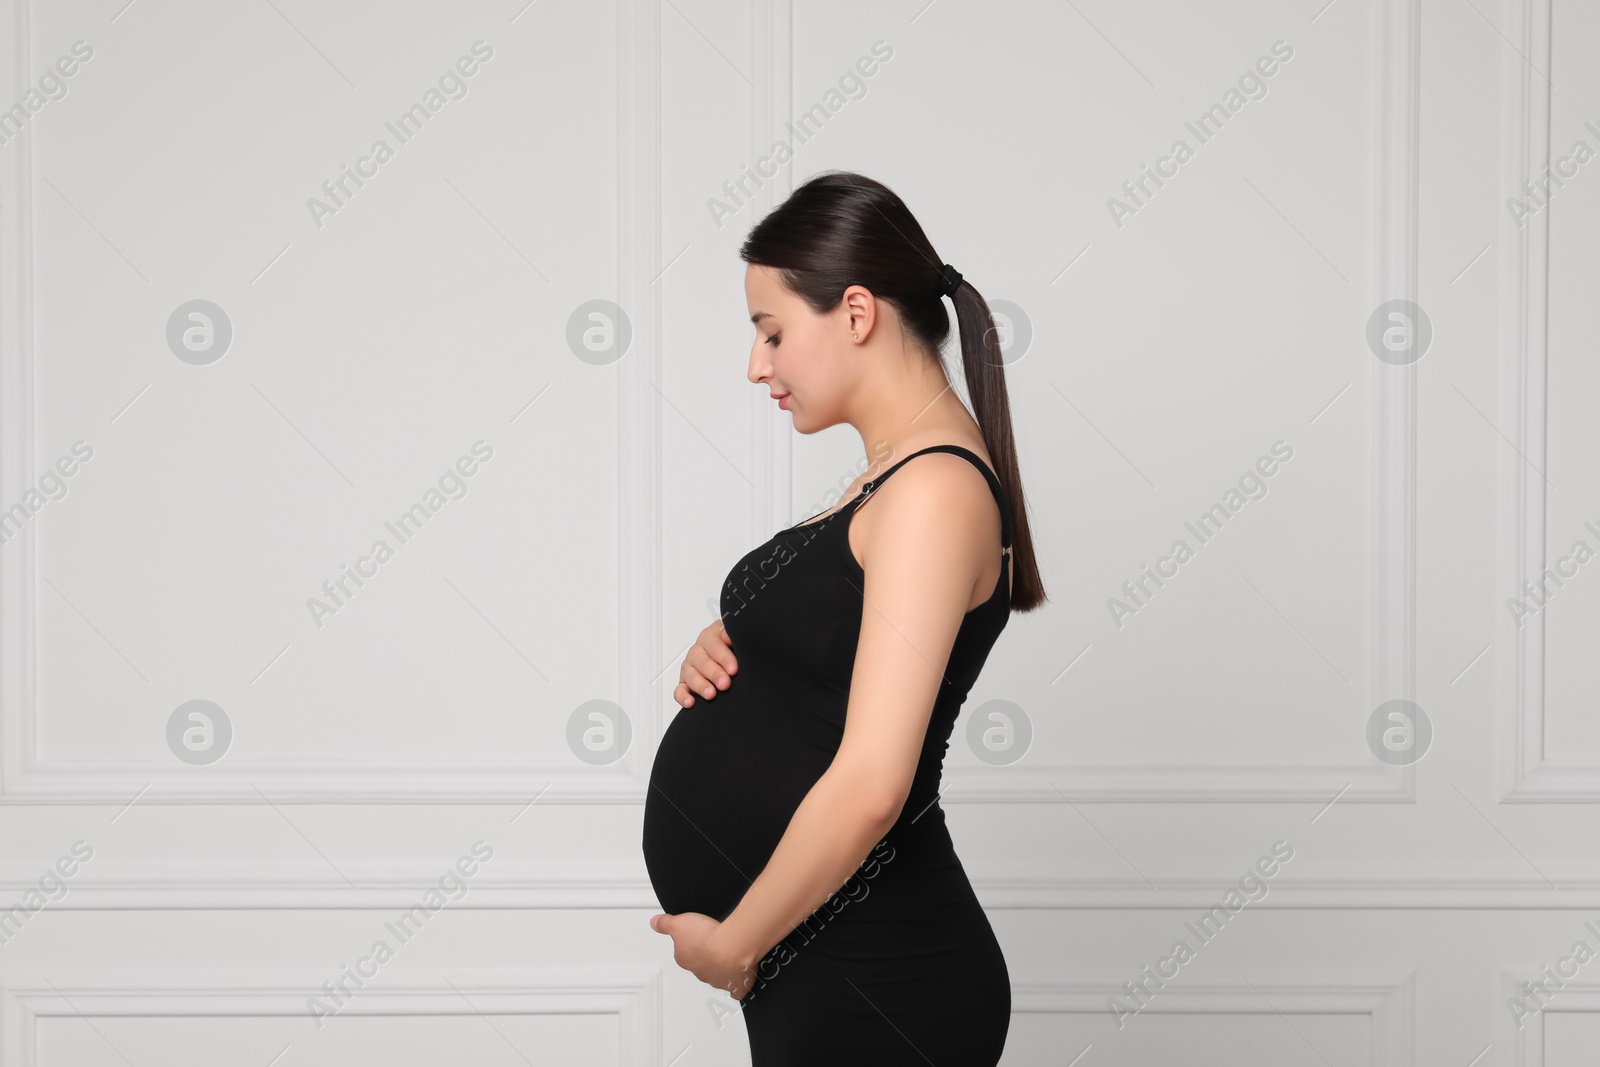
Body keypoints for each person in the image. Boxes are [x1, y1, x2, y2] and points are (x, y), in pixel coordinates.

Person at [642, 170, 1045, 1066]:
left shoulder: (935, 489)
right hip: (827, 969)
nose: (758, 364)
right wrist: (740, 646)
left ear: (856, 312)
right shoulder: (891, 481)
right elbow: (833, 658)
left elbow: (871, 782)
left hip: (881, 976)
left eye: (772, 331)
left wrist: (739, 940)